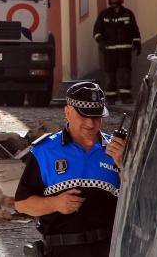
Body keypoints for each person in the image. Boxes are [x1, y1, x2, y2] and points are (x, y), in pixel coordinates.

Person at [14, 82, 127, 257]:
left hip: (108, 249)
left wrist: (124, 164)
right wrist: (55, 203)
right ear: (67, 112)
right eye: (83, 116)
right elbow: (22, 204)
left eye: (96, 117)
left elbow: (138, 201)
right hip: (62, 250)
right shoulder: (45, 151)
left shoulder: (118, 150)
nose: (91, 124)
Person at [93, 0, 141, 105]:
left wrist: (137, 43)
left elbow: (134, 30)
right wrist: (101, 43)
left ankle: (126, 97)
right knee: (110, 75)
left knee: (125, 74)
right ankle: (110, 98)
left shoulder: (128, 14)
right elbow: (96, 32)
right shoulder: (104, 15)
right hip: (109, 52)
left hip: (124, 51)